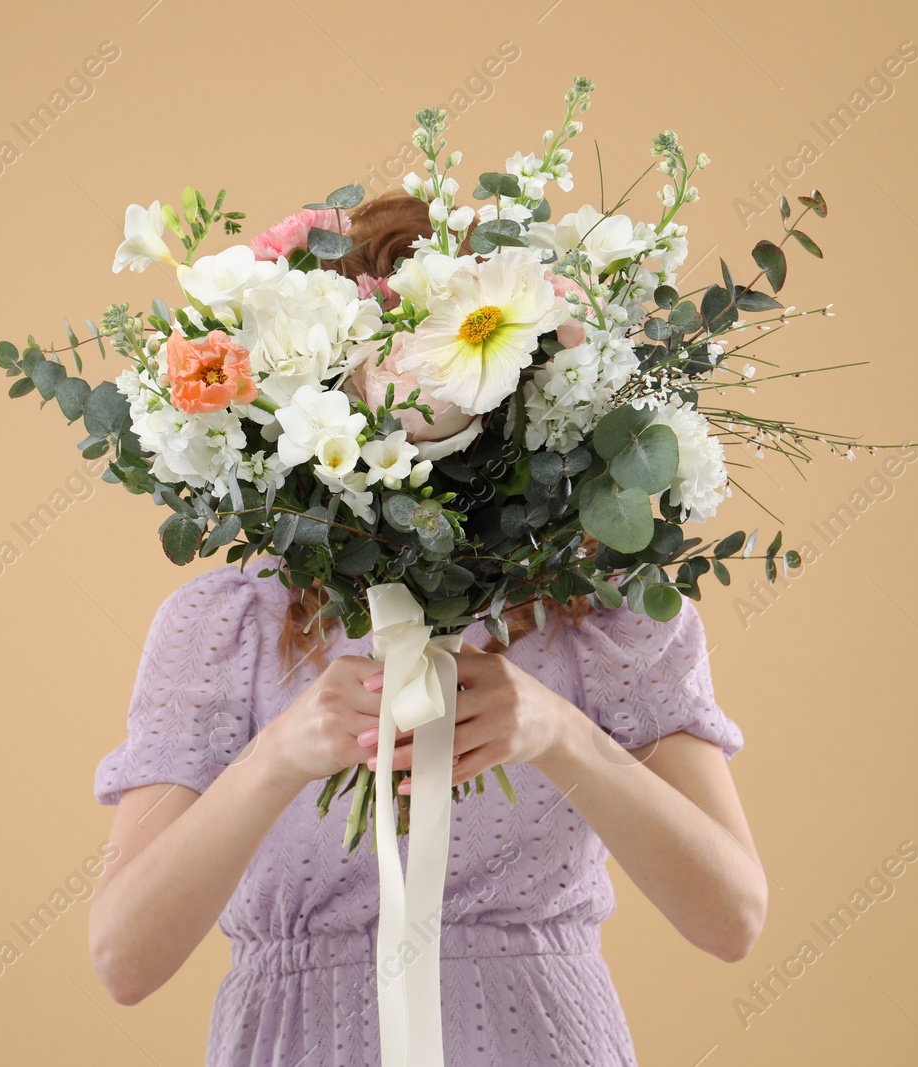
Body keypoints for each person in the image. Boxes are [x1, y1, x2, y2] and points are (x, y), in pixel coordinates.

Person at [86, 194, 768, 1067]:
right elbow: (124, 959)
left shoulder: (604, 613)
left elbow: (733, 916)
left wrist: (557, 731)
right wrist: (282, 752)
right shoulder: (226, 627)